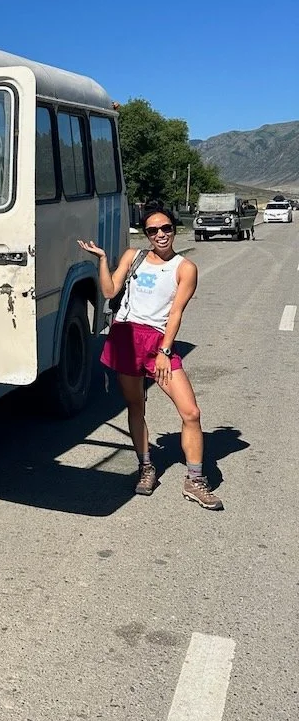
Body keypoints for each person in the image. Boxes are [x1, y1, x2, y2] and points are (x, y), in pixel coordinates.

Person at [77, 205, 223, 510]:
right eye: (153, 230)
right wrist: (102, 259)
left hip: (158, 341)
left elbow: (176, 313)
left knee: (191, 412)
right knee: (135, 405)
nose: (161, 235)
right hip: (126, 338)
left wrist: (165, 352)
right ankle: (146, 468)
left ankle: (195, 480)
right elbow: (110, 290)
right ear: (146, 234)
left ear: (174, 228)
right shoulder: (134, 257)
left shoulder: (185, 268)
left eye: (166, 228)